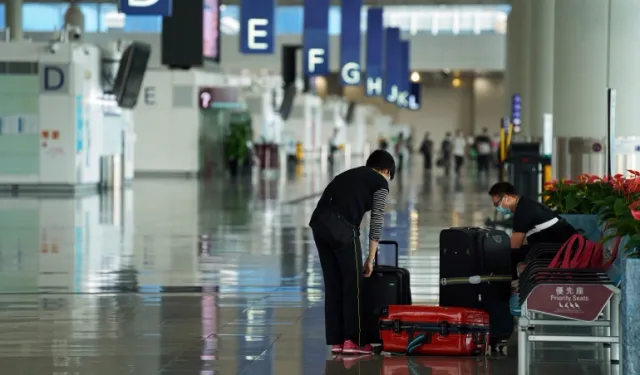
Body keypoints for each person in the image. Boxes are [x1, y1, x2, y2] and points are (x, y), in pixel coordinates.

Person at [309, 150, 395, 355]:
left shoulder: (350, 174)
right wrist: (371, 259)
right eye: (390, 175)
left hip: (319, 224)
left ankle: (337, 340)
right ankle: (355, 341)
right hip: (342, 229)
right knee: (354, 285)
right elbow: (377, 221)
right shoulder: (381, 183)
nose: (389, 180)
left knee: (333, 285)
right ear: (385, 170)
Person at [488, 182, 578, 280]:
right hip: (560, 245)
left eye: (497, 204)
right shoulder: (526, 203)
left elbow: (514, 246)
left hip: (558, 249)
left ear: (506, 197)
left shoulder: (522, 212)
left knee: (509, 255)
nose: (497, 208)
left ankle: (509, 286)